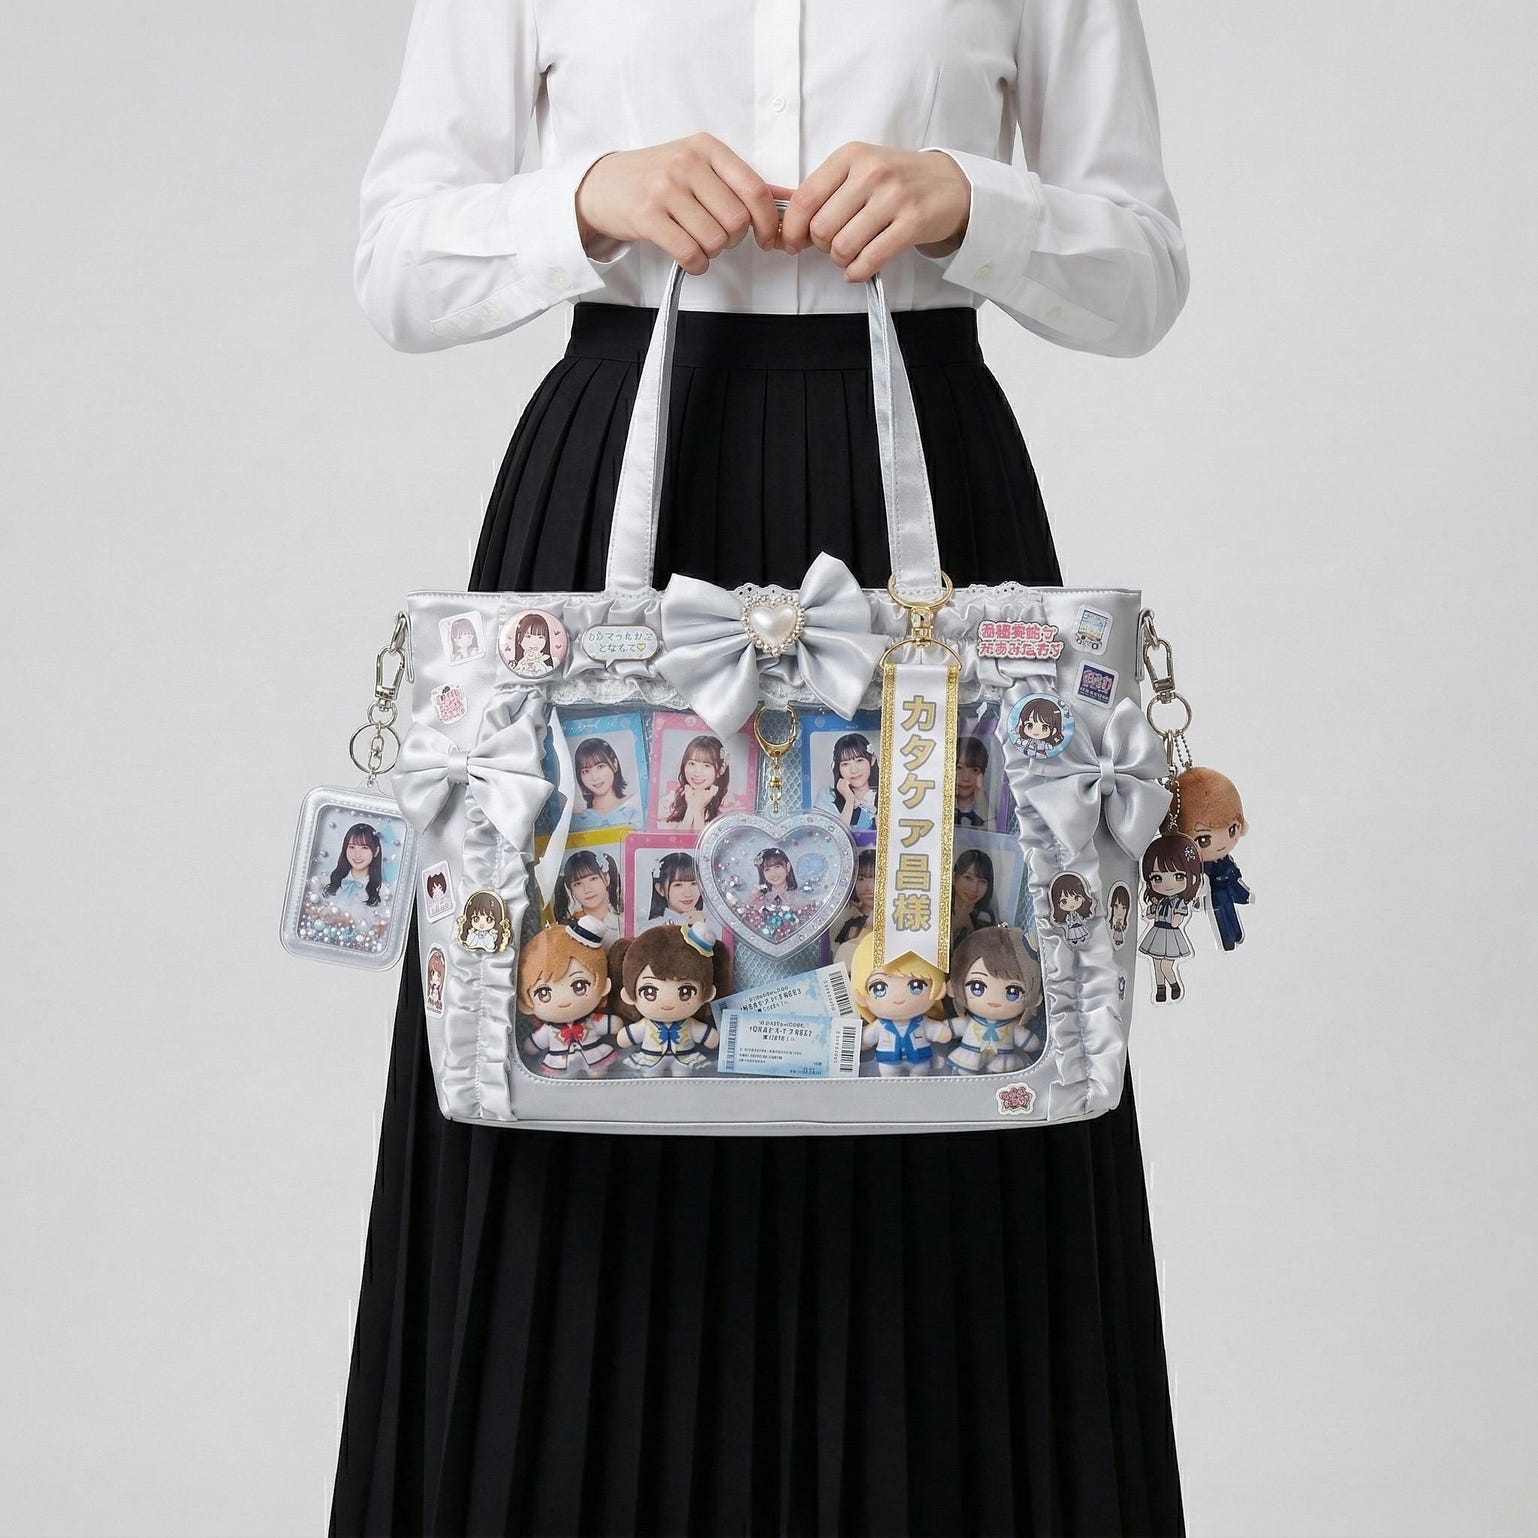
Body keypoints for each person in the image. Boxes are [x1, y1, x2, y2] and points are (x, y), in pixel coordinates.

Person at [335, 0, 1190, 1530]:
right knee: (564, 1056)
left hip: (923, 490)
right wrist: (587, 197)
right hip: (618, 504)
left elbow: (1139, 272)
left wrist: (968, 202)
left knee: (957, 1042)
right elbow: (394, 260)